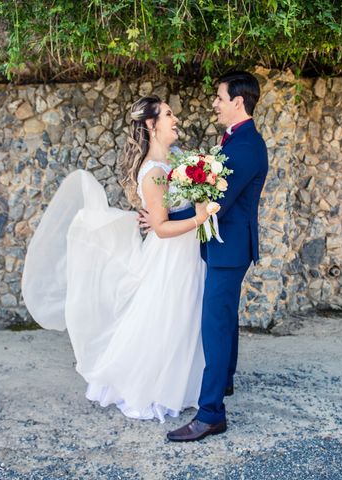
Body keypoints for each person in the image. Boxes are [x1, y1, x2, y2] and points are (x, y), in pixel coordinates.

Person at [21, 95, 211, 422]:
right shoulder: (153, 172)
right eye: (168, 115)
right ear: (151, 125)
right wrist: (200, 218)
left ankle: (180, 386)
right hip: (170, 255)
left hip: (189, 252)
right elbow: (162, 228)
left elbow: (176, 208)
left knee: (186, 319)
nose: (175, 119)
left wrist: (204, 193)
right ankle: (149, 387)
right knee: (165, 320)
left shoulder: (179, 158)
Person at [140, 71, 269, 441]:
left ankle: (211, 413)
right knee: (224, 322)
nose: (214, 102)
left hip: (228, 249)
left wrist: (163, 219)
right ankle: (223, 382)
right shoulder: (236, 140)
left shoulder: (245, 147)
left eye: (219, 97)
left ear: (238, 102)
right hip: (224, 246)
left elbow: (216, 205)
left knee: (214, 326)